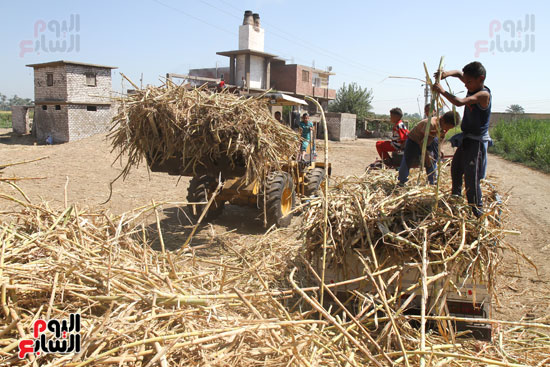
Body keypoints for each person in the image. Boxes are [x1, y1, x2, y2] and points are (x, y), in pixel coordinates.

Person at [433, 61, 492, 217]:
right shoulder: (472, 85)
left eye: (469, 82)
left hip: (476, 142)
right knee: (456, 168)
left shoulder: (483, 95)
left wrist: (442, 91)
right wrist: (445, 74)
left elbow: (459, 102)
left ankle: (477, 211)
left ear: (481, 79)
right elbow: (459, 73)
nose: (466, 85)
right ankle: (456, 199)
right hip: (467, 139)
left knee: (471, 177)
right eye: (465, 82)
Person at [398, 111, 460, 185]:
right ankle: (402, 181)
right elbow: (422, 142)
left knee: (432, 160)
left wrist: (440, 149)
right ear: (443, 120)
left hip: (430, 140)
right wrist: (426, 155)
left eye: (450, 128)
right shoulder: (431, 124)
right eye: (447, 127)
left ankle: (433, 181)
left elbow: (441, 138)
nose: (447, 129)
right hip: (415, 140)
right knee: (408, 159)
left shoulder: (445, 125)